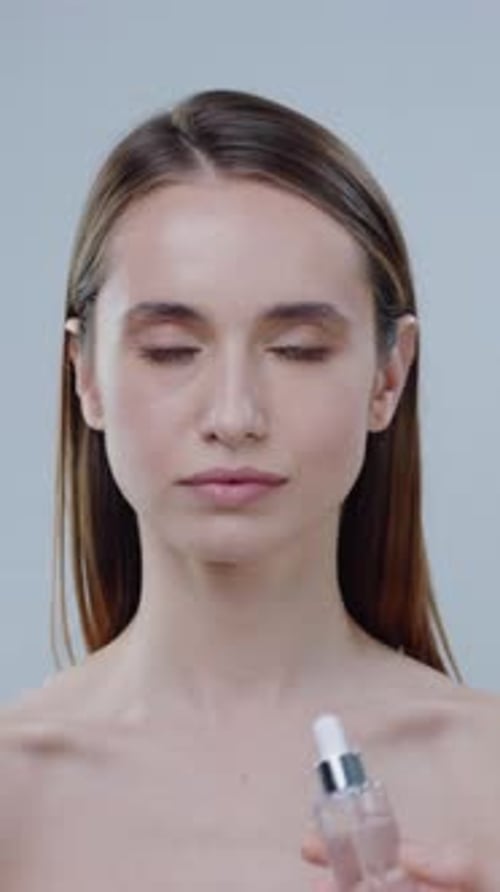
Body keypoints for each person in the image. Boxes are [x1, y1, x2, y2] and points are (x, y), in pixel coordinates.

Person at [0, 89, 498, 891]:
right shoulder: (13, 796)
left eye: (297, 349)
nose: (234, 416)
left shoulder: (489, 784)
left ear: (388, 376)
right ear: (85, 376)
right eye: (169, 350)